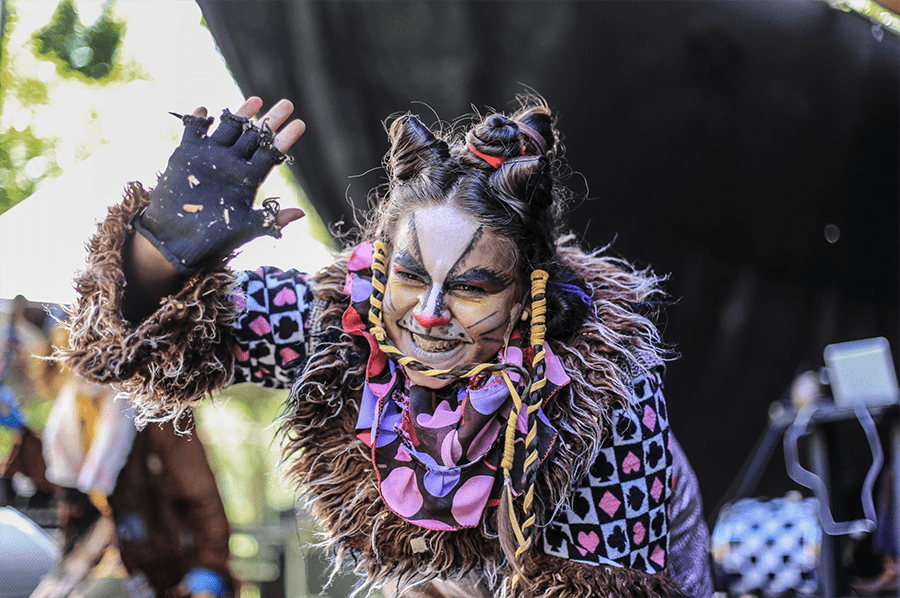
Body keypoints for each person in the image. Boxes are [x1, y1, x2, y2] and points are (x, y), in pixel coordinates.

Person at [57, 94, 713, 597]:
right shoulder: (346, 323)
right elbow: (138, 345)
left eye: (471, 288)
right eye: (408, 276)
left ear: (525, 299)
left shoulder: (603, 395)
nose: (427, 316)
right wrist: (159, 254)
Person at [2, 332, 236, 598]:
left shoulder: (154, 407)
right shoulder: (72, 409)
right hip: (105, 549)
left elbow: (200, 492)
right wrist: (20, 431)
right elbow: (67, 479)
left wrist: (210, 566)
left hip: (163, 558)